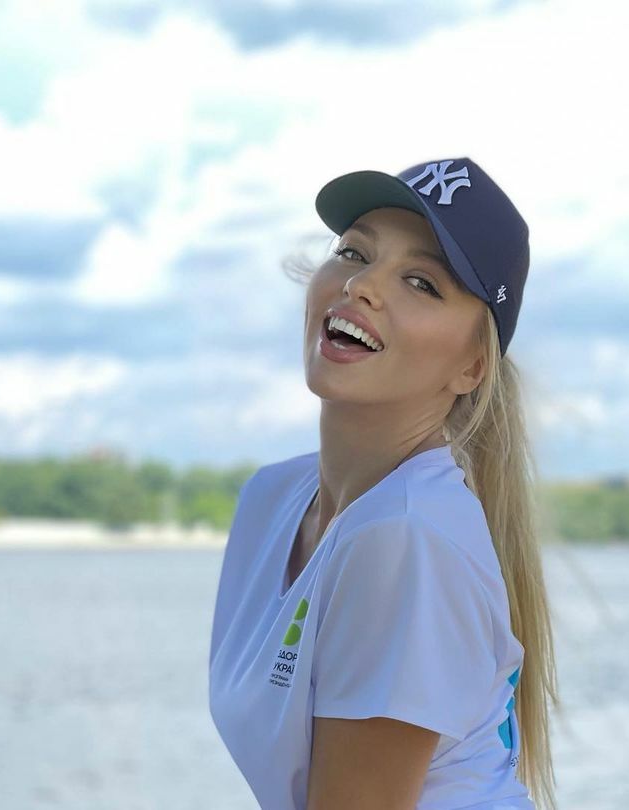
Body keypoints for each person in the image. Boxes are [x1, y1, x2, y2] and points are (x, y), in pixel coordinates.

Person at [208, 157, 560, 810]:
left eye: (421, 282)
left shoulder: (406, 537)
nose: (362, 284)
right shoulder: (270, 500)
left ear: (472, 366)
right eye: (353, 252)